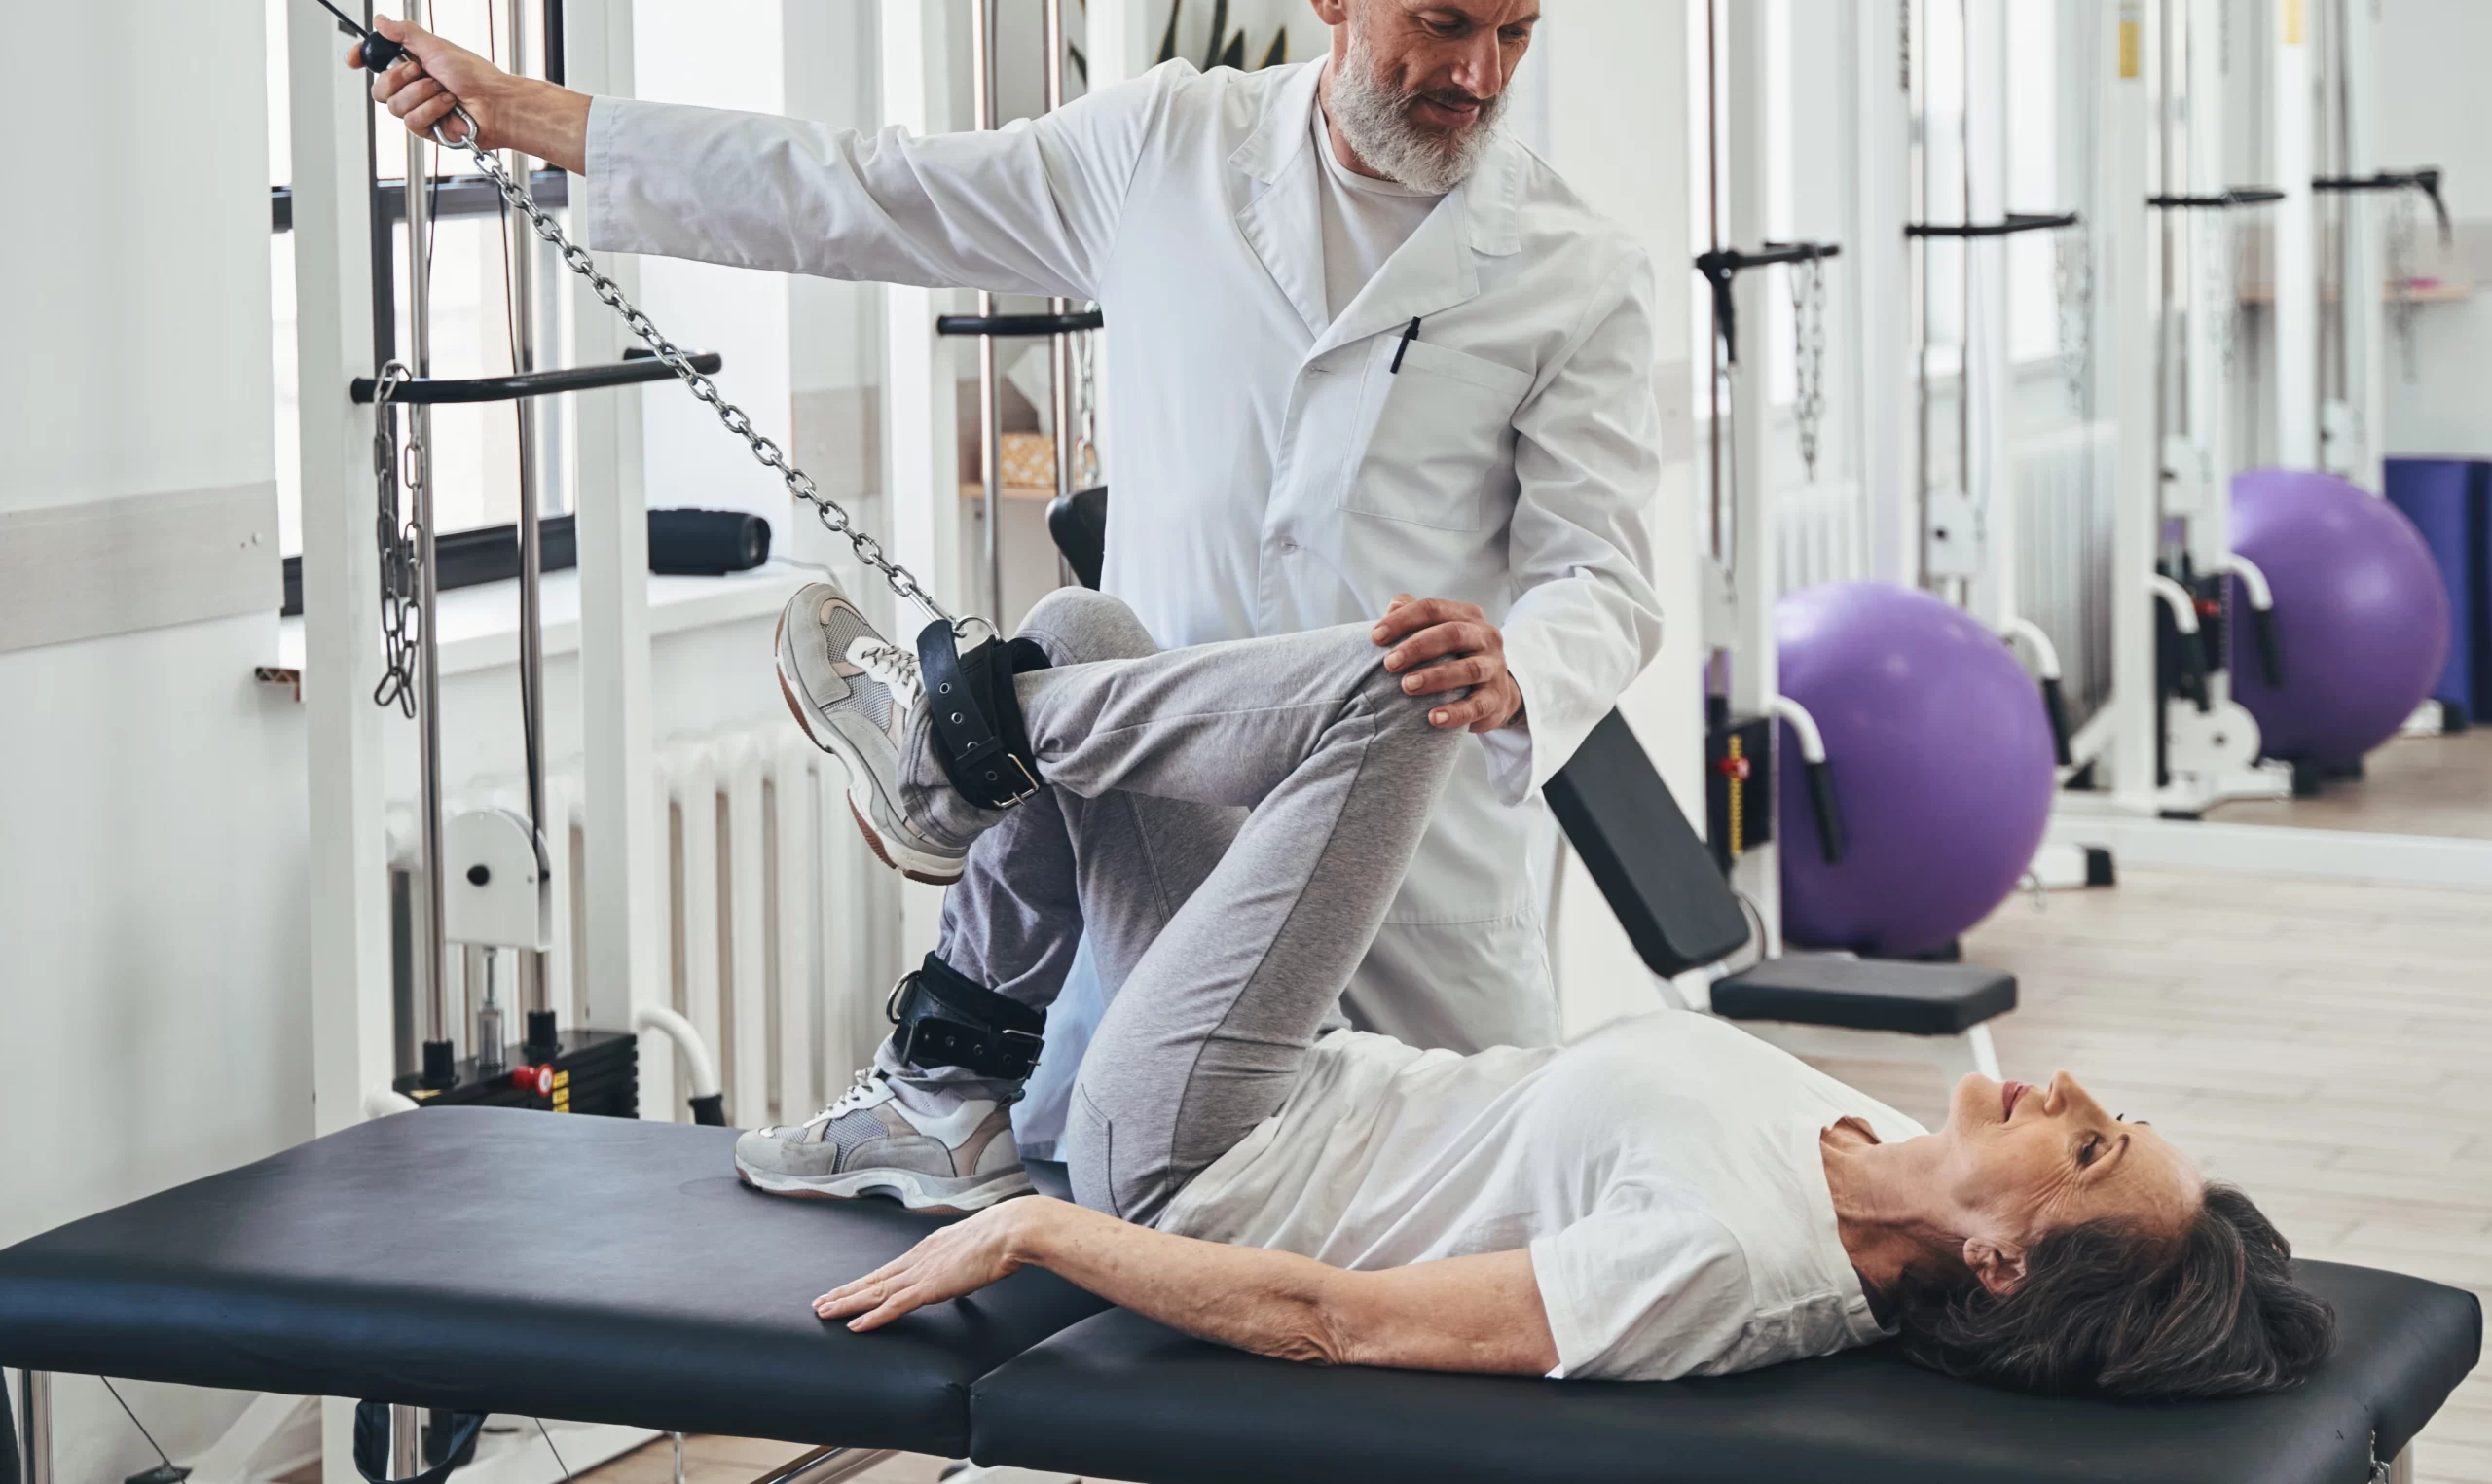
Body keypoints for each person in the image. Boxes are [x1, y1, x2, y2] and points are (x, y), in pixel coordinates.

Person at [356, 0, 1664, 1161]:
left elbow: (1605, 578)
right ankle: (950, 823)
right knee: (1111, 1210)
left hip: (1410, 885)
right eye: (1445, 24)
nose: (1480, 72)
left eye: (1515, 34)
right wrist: (541, 121)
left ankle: (939, 759)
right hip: (1160, 843)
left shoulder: (1573, 270)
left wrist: (1518, 665)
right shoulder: (1166, 149)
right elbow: (871, 191)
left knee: (1415, 1233)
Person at [759, 575, 2334, 1397]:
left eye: (2086, 1146)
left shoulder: (1732, 1265)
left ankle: (947, 775)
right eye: (2105, 1115)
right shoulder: (1876, 1138)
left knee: (1411, 686)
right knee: (1084, 634)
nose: (2066, 1091)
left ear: (1997, 1266)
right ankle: (950, 1078)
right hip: (1300, 1070)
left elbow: (1340, 1325)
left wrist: (1045, 1229)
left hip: (1200, 1159)